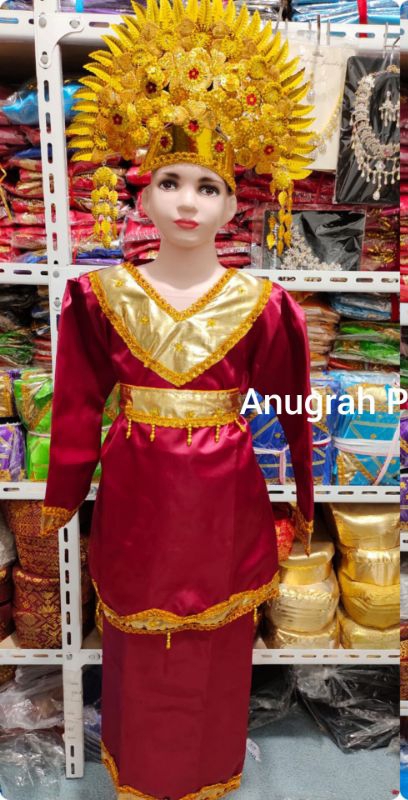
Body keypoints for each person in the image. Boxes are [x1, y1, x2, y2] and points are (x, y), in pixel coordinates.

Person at [40, 0, 316, 796]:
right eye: (169, 181)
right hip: (138, 489)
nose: (188, 200)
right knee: (133, 635)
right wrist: (64, 493)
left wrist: (302, 493)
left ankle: (207, 769)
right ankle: (141, 771)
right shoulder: (96, 296)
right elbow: (77, 402)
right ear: (142, 195)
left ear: (234, 206)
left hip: (225, 492)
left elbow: (294, 408)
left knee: (219, 639)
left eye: (208, 186)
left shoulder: (266, 305)